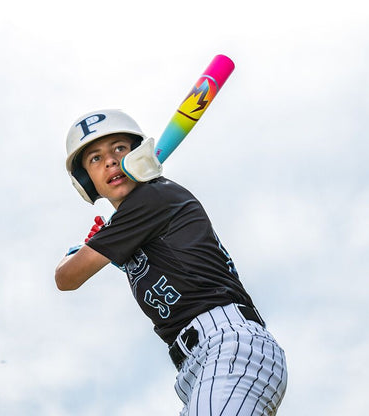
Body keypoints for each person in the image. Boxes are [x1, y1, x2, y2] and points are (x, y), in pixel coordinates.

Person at [55, 109, 288, 415]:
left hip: (228, 346)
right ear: (86, 180)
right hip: (199, 365)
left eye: (119, 148)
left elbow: (65, 277)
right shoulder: (137, 223)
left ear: (140, 154)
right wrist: (110, 248)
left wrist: (89, 247)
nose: (110, 160)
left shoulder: (151, 199)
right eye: (95, 158)